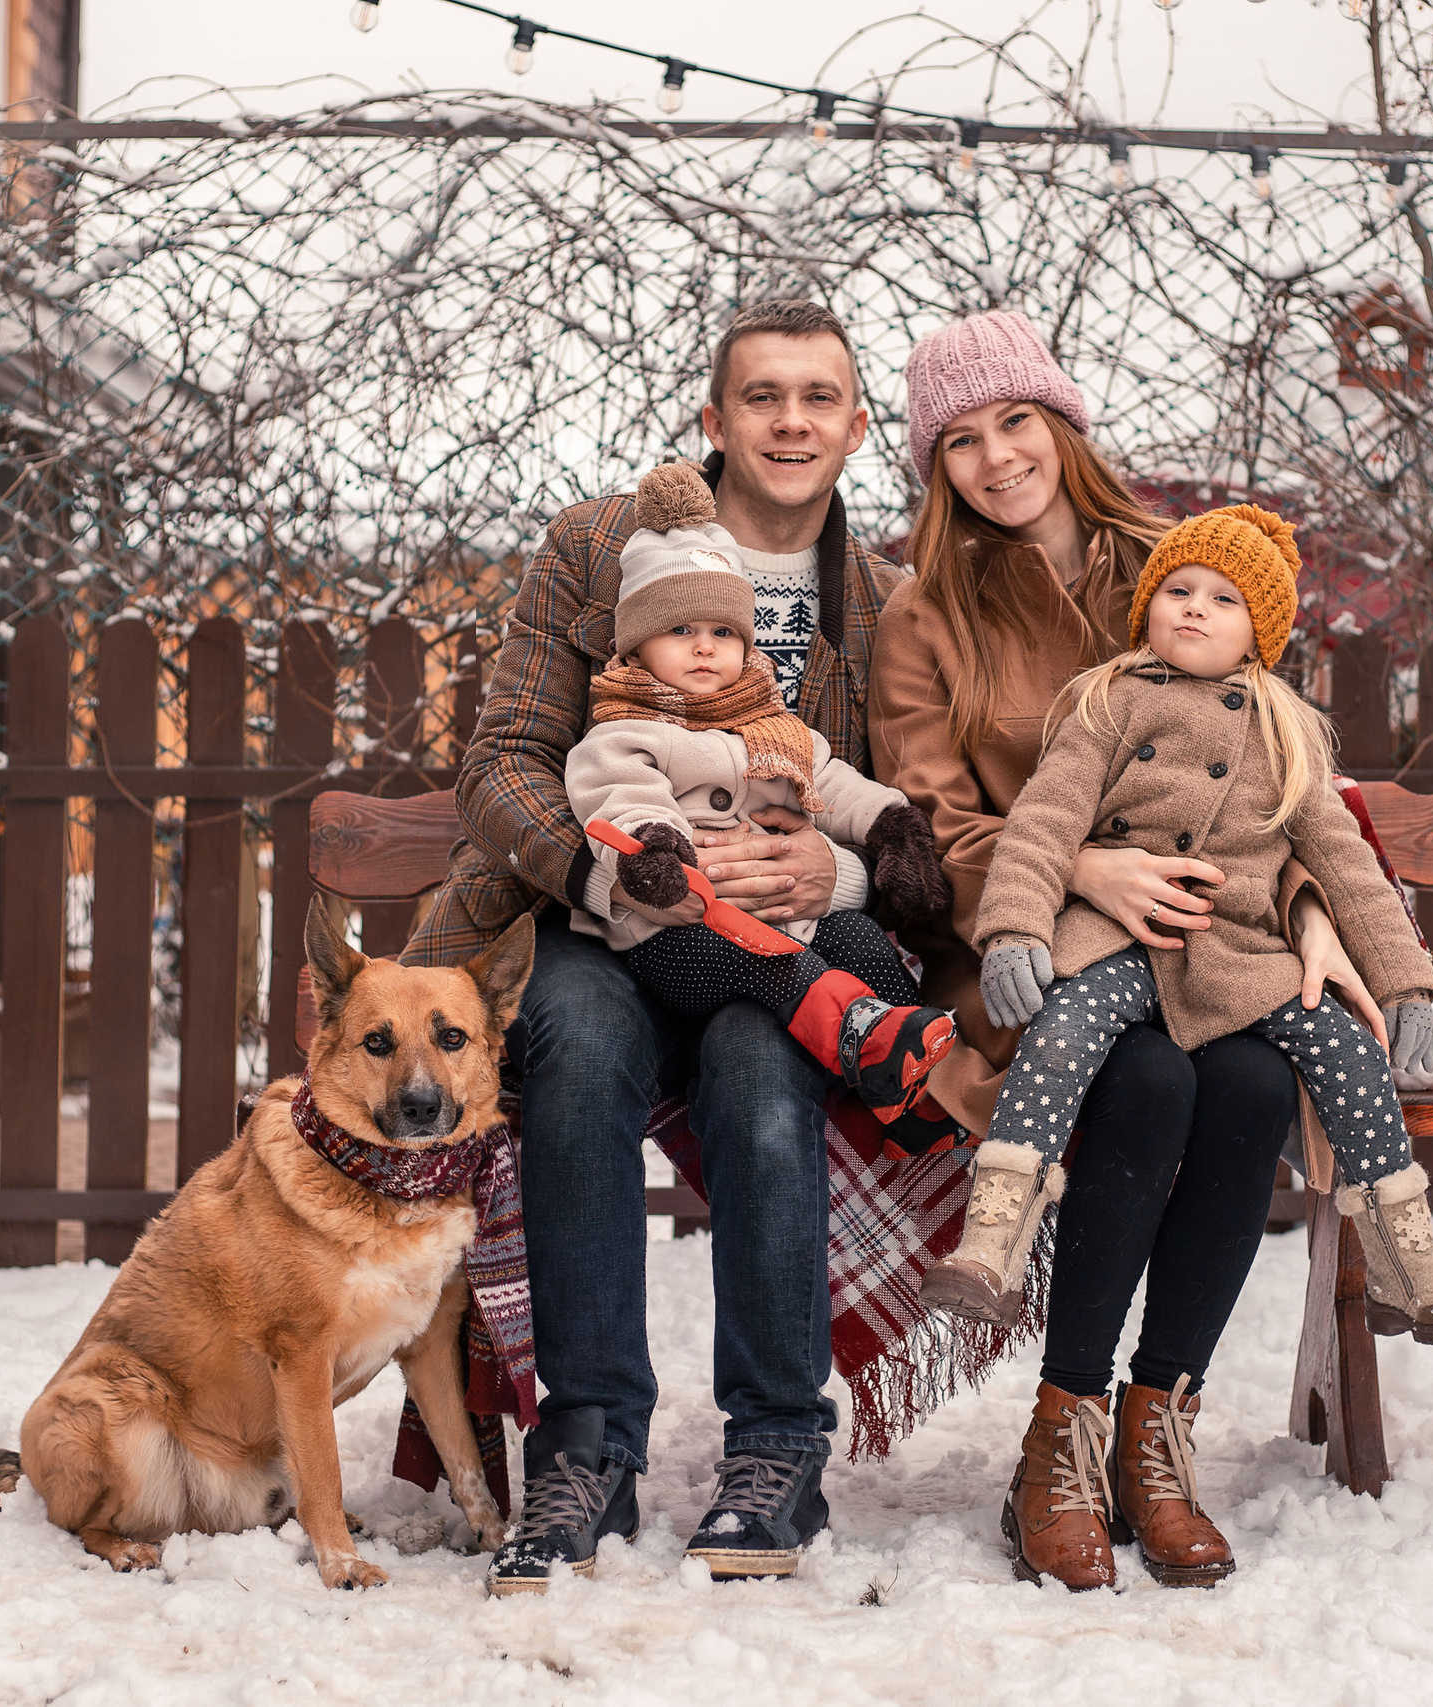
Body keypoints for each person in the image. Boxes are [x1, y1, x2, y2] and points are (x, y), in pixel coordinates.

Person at [868, 309, 1394, 1592]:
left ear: (1061, 423)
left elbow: (1288, 769)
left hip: (1220, 946)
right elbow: (927, 822)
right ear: (936, 468)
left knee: (1256, 1083)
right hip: (1040, 957)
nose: (997, 459)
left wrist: (1316, 919)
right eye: (962, 441)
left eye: (1015, 423)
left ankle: (1157, 1429)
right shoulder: (923, 615)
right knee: (1149, 1082)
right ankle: (1062, 1432)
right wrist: (1081, 869)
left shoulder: (1182, 569)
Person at [402, 299, 903, 1594]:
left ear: (856, 423)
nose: (790, 420)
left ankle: (778, 1442)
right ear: (715, 417)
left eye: (817, 397)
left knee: (761, 1065)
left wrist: (829, 868)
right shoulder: (596, 547)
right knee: (571, 1042)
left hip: (767, 940)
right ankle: (588, 1436)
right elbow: (504, 759)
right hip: (591, 918)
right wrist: (589, 866)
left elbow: (902, 810)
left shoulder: (883, 602)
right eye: (762, 395)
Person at [935, 503, 1433, 1356]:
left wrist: (1407, 980)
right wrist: (1014, 926)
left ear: (1259, 634)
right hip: (1120, 943)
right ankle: (993, 1241)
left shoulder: (1283, 728)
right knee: (1062, 1029)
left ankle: (1405, 1259)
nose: (1194, 607)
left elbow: (1346, 865)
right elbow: (1043, 822)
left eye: (1225, 599)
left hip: (1242, 959)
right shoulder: (1108, 701)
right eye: (1180, 588)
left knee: (1347, 1053)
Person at [565, 460, 957, 1122]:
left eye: (722, 632)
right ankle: (865, 1038)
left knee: (861, 940)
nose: (704, 648)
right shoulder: (625, 729)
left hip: (788, 916)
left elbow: (831, 781)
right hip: (677, 935)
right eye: (679, 630)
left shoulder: (771, 725)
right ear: (637, 646)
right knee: (767, 963)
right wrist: (657, 847)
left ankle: (922, 1083)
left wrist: (891, 826)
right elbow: (625, 799)